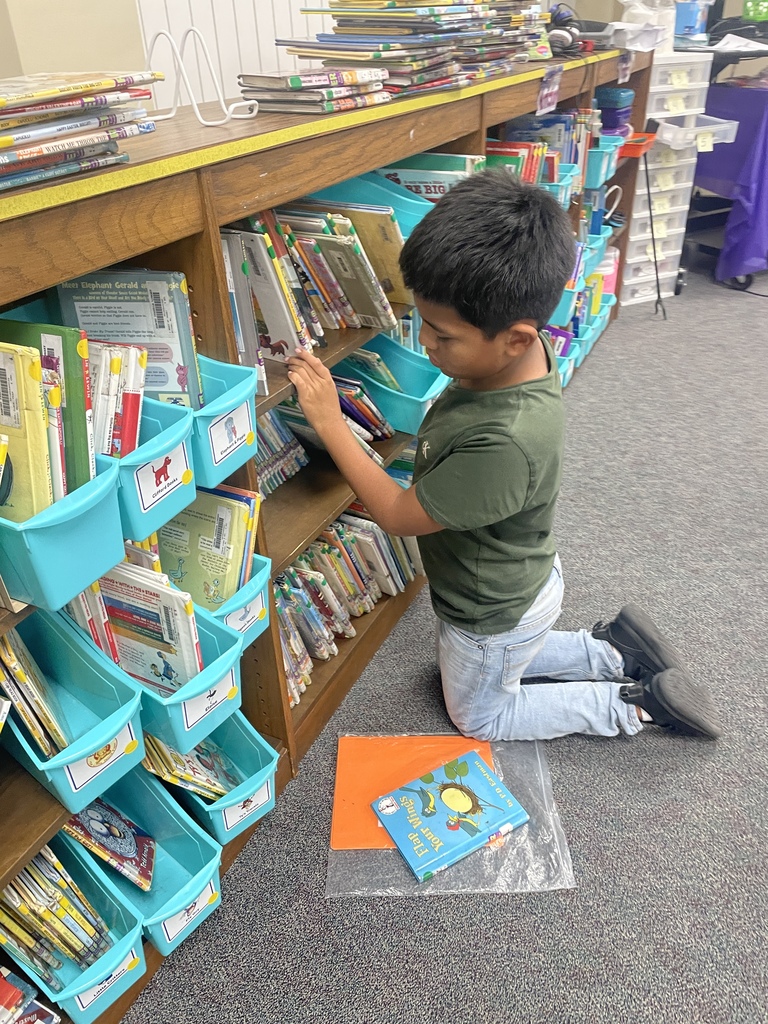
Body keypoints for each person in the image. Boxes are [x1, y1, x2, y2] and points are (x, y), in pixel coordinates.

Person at [286, 170, 720, 742]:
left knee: (481, 715)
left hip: (490, 608)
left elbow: (395, 515)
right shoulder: (517, 358)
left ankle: (631, 706)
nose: (426, 343)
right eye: (424, 324)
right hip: (518, 582)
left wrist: (329, 421)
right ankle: (612, 652)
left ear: (516, 338)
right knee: (496, 658)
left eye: (443, 336)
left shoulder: (507, 441)